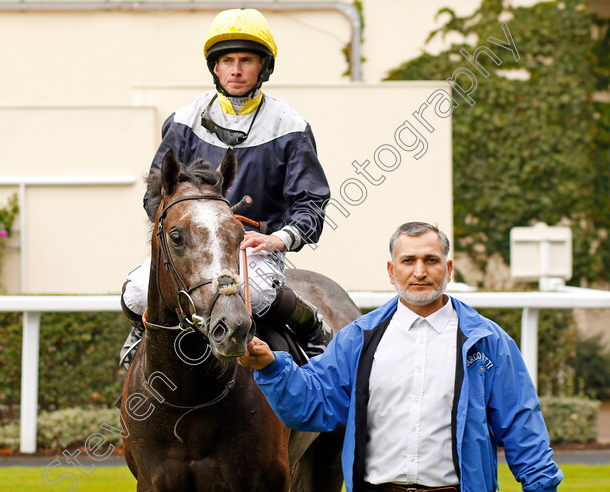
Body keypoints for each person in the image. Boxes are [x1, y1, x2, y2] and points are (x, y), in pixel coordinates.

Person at [238, 222, 563, 492]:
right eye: (408, 261)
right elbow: (313, 405)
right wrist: (273, 366)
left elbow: (524, 429)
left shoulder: (488, 343)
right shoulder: (358, 339)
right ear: (392, 271)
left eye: (431, 260)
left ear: (448, 269)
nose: (419, 272)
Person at [119, 8, 333, 369]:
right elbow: (155, 194)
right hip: (193, 247)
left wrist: (277, 240)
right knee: (136, 292)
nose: (236, 70)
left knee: (261, 293)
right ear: (214, 68)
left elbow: (310, 203)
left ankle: (314, 330)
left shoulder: (291, 127)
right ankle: (143, 333)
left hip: (254, 245)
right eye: (227, 60)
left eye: (246, 60)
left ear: (264, 67)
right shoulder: (184, 121)